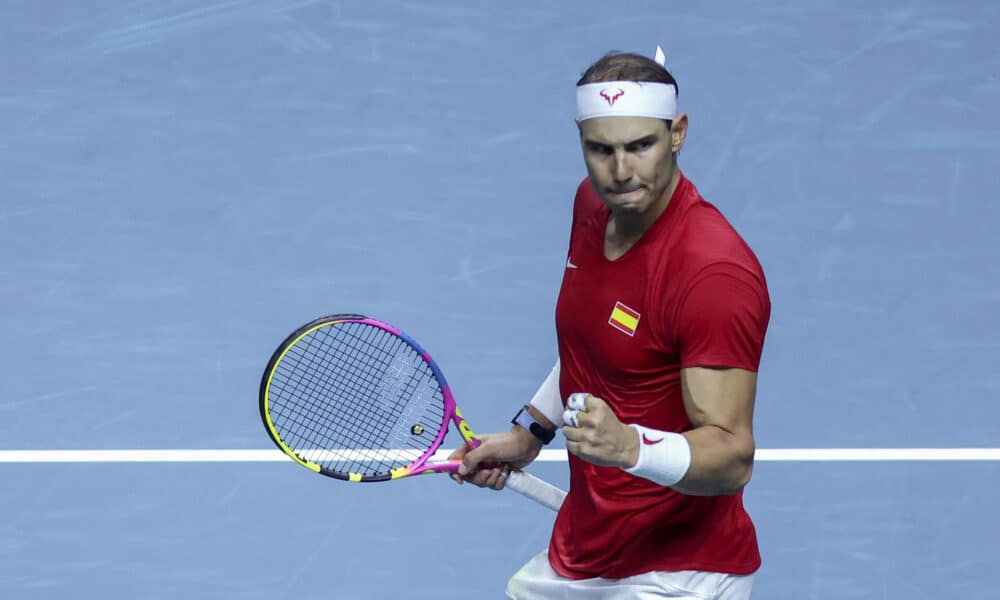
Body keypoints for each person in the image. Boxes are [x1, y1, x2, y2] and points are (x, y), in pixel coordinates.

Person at [450, 47, 771, 600]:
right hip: (588, 548)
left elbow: (732, 456)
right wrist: (530, 433)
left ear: (678, 133)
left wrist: (630, 449)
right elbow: (594, 345)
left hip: (677, 573)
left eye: (640, 145)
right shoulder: (593, 207)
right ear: (580, 138)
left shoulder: (712, 273)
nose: (621, 172)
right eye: (601, 149)